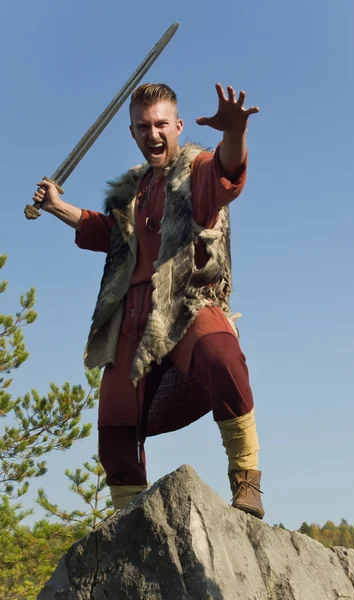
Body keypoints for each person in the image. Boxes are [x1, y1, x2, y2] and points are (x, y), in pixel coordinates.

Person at [33, 82, 264, 519]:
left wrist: (234, 133)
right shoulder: (131, 192)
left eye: (161, 124)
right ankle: (130, 527)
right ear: (133, 133)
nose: (153, 133)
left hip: (185, 301)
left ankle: (247, 480)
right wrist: (58, 207)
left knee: (222, 356)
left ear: (177, 126)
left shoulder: (197, 171)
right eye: (143, 126)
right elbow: (108, 233)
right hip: (130, 318)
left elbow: (226, 174)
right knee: (114, 431)